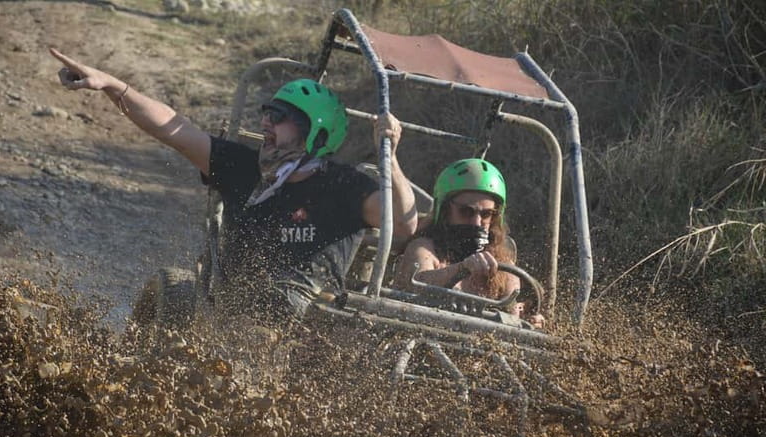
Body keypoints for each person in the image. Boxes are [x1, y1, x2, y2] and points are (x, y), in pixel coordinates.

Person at [49, 48, 417, 323]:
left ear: (315, 133)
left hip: (311, 329)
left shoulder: (344, 186)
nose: (266, 122)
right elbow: (174, 129)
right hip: (232, 315)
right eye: (266, 113)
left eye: (281, 117)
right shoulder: (244, 167)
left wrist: (392, 158)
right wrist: (113, 86)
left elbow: (402, 225)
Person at [394, 158, 544, 327]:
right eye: (466, 211)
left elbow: (512, 310)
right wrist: (461, 269)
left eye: (487, 214)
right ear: (444, 211)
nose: (476, 222)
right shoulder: (425, 248)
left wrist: (527, 318)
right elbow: (415, 284)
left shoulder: (503, 264)